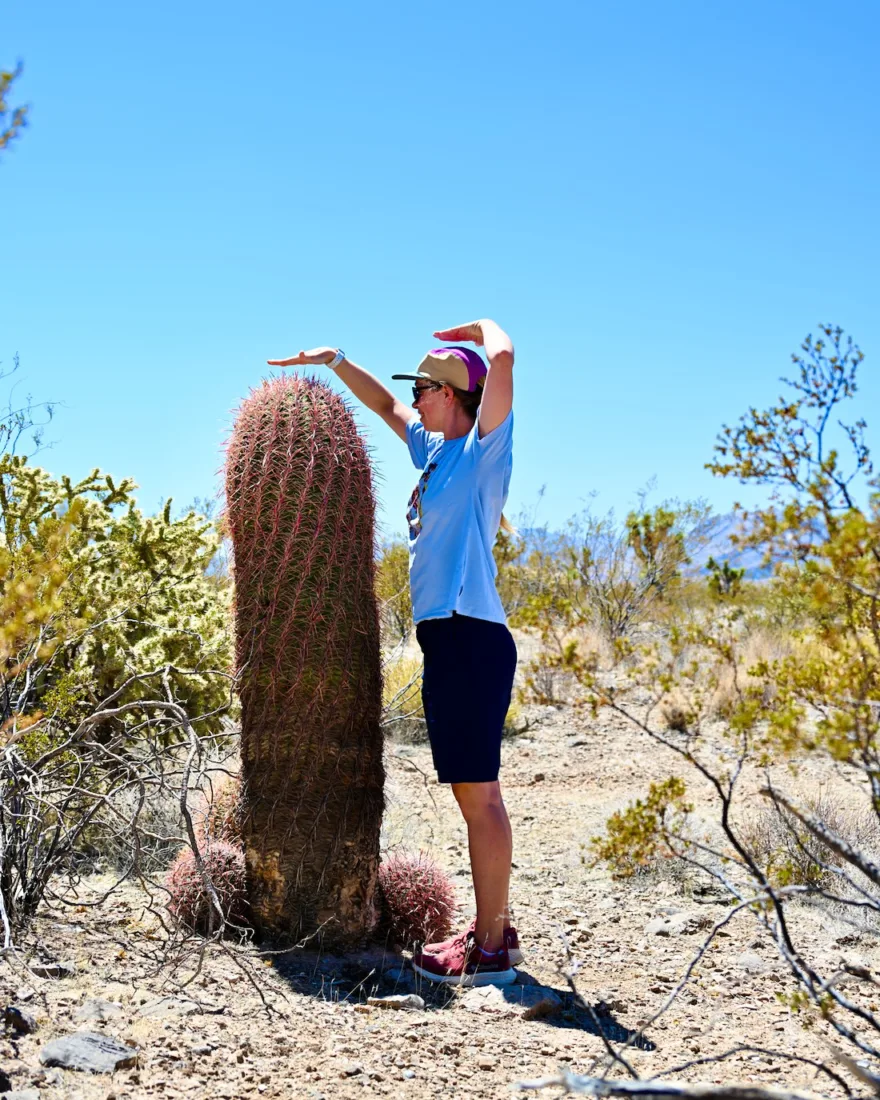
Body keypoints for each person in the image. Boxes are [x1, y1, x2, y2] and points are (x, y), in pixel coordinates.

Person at [267, 319, 521, 987]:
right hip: (449, 636)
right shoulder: (437, 453)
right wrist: (337, 362)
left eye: (425, 388)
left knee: (480, 797)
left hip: (469, 633)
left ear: (453, 395)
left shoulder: (481, 455)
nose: (416, 397)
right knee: (475, 793)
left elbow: (503, 359)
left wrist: (484, 329)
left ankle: (491, 943)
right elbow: (384, 406)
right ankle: (491, 929)